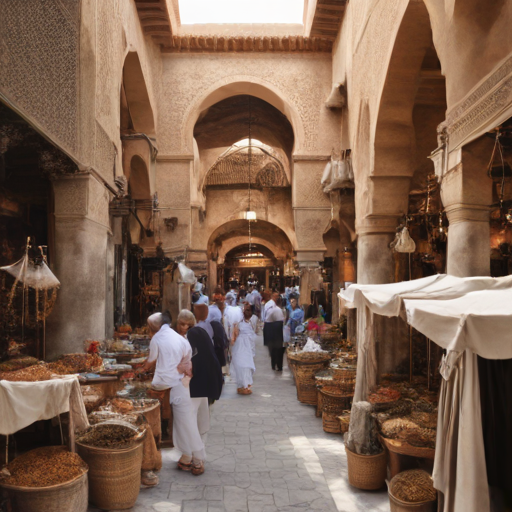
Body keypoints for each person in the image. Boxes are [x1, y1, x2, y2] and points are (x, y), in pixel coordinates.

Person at [141, 312, 206, 476]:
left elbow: (151, 360)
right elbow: (187, 360)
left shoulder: (157, 339)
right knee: (184, 421)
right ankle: (187, 458)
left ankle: (197, 459)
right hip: (181, 384)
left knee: (183, 422)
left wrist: (140, 369)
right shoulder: (180, 339)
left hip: (166, 385)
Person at [230, 303, 258, 395]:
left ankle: (245, 385)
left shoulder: (251, 322)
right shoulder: (238, 323)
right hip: (241, 347)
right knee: (242, 366)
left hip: (247, 348)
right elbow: (234, 336)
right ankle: (242, 385)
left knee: (246, 366)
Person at [263, 295, 285, 371]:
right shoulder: (279, 310)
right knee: (279, 348)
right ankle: (279, 366)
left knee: (273, 348)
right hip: (277, 328)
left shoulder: (269, 307)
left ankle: (273, 365)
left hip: (270, 327)